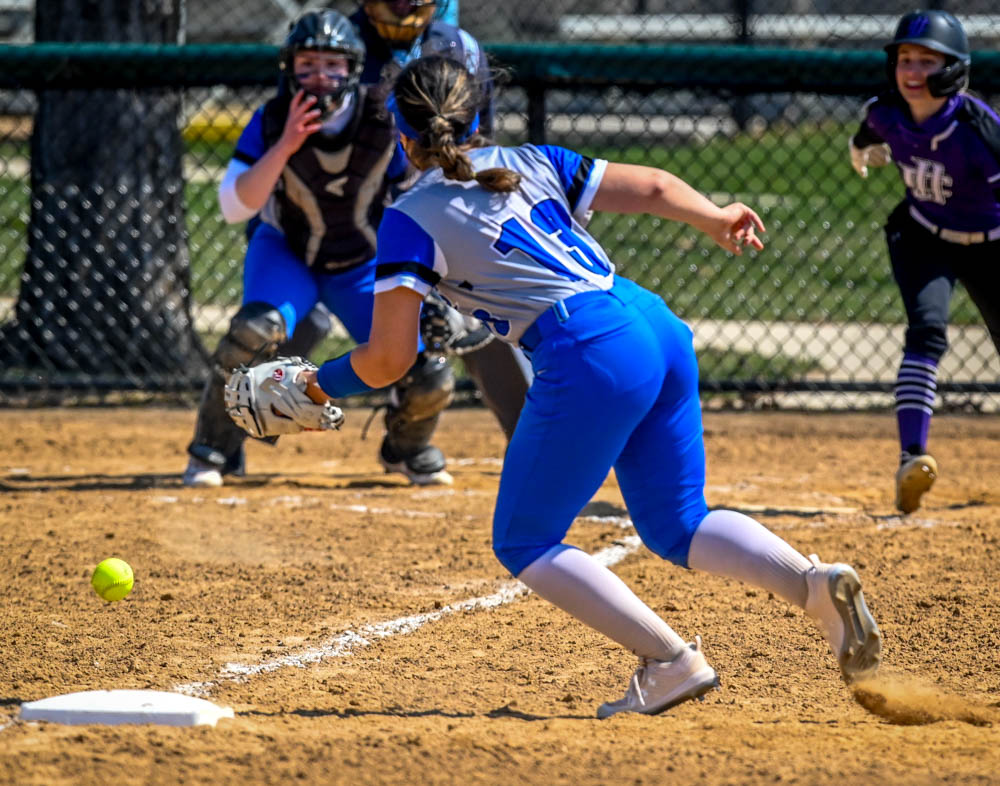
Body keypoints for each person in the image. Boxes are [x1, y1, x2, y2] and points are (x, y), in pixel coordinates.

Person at [303, 54, 883, 717]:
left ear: (400, 136)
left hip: (590, 349)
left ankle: (670, 660)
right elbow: (658, 186)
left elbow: (387, 360)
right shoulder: (530, 159)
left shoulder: (411, 216)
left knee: (524, 540)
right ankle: (813, 585)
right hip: (654, 323)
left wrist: (317, 382)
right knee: (678, 523)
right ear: (480, 114)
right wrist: (716, 217)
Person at [183, 9, 455, 488]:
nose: (320, 78)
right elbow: (234, 205)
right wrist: (287, 144)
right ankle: (213, 449)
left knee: (427, 360)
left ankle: (406, 449)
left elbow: (422, 194)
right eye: (307, 65)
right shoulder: (271, 119)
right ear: (290, 69)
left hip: (361, 262)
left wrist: (437, 286)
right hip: (288, 253)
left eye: (333, 66)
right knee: (254, 330)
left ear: (352, 69)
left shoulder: (383, 117)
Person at [281, 0, 531, 441]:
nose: (404, 7)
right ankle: (217, 445)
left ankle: (427, 445)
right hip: (350, 221)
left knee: (474, 322)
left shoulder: (455, 46)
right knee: (279, 325)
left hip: (439, 207)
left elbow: (479, 144)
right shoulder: (340, 41)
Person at [849, 10, 1000, 514]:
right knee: (926, 332)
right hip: (925, 235)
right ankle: (911, 457)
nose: (912, 72)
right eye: (904, 60)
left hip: (991, 241)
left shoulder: (977, 130)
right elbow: (871, 127)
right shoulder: (887, 111)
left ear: (954, 69)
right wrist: (861, 145)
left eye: (927, 61)